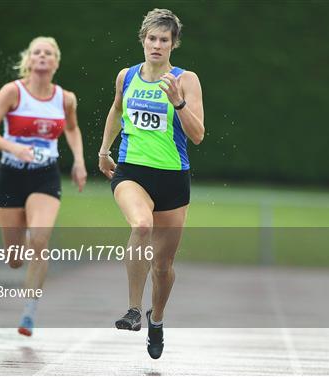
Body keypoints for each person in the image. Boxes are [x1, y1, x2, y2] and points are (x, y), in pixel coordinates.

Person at [99, 8, 204, 359]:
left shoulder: (185, 80)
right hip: (132, 172)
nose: (157, 45)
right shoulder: (127, 76)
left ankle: (156, 319)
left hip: (173, 179)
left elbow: (198, 135)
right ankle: (132, 310)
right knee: (140, 224)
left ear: (174, 44)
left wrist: (179, 102)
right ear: (143, 40)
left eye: (164, 39)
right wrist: (103, 150)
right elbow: (116, 110)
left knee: (162, 266)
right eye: (152, 38)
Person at [0, 36, 87, 336]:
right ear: (29, 59)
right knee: (14, 259)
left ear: (56, 62)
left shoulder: (65, 99)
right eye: (37, 52)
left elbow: (73, 130)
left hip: (44, 174)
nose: (42, 56)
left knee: (39, 238)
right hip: (12, 174)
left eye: (48, 53)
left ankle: (29, 311)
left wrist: (79, 161)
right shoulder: (12, 92)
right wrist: (13, 148)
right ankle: (21, 243)